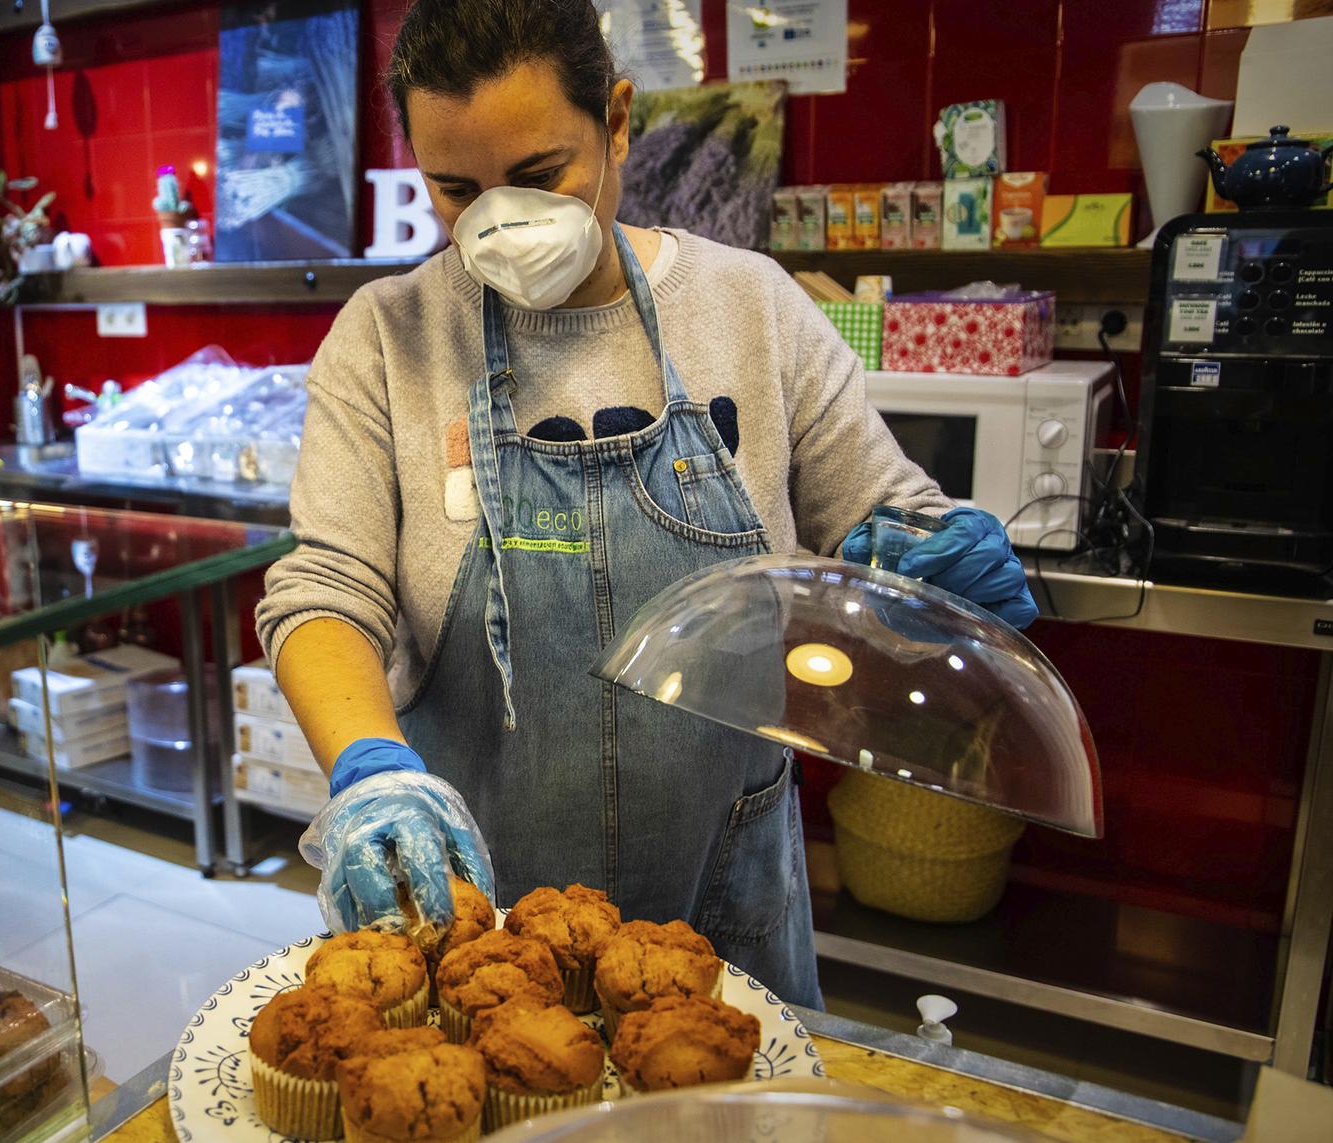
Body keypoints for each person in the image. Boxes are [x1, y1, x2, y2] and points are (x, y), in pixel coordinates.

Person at [259, 0, 1038, 1009]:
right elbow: (324, 587)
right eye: (455, 191)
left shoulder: (749, 308)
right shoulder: (386, 337)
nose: (499, 220)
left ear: (617, 120)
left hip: (723, 903)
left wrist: (928, 560)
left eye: (539, 177)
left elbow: (884, 513)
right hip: (474, 919)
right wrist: (369, 769)